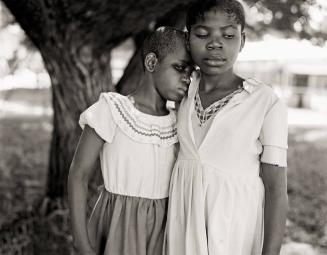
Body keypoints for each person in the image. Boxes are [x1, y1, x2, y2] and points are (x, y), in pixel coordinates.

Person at [164, 1, 288, 254]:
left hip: (234, 228)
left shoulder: (264, 102)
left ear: (242, 41)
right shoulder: (181, 90)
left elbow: (276, 188)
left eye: (228, 35)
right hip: (183, 221)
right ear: (188, 40)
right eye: (202, 34)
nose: (215, 44)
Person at [68, 26, 193, 255]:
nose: (187, 79)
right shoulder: (113, 110)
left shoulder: (180, 122)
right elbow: (79, 173)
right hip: (118, 225)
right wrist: (81, 242)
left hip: (164, 230)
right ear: (152, 63)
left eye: (191, 72)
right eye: (180, 68)